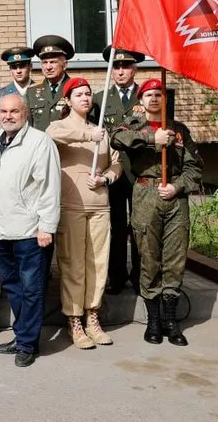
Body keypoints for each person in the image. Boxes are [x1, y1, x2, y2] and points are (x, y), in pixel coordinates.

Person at [111, 78, 202, 347]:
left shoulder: (179, 130)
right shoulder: (134, 126)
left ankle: (170, 320)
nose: (154, 98)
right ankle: (152, 320)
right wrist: (152, 138)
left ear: (165, 99)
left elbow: (194, 167)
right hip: (146, 191)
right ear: (140, 100)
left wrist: (177, 186)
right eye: (148, 94)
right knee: (148, 256)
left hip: (174, 196)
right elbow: (117, 138)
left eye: (158, 94)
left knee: (174, 257)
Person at [0, 94, 61, 368]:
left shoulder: (39, 143)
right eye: (3, 111)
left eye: (13, 111)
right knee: (14, 288)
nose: (7, 116)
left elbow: (50, 189)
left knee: (31, 290)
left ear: (25, 113)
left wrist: (46, 228)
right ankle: (21, 336)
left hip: (30, 233)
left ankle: (28, 343)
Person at [47, 78, 121, 349]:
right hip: (72, 206)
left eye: (88, 94)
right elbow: (52, 136)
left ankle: (92, 316)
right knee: (74, 264)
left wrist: (107, 179)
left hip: (100, 205)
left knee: (97, 264)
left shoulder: (101, 130)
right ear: (68, 100)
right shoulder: (62, 126)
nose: (85, 98)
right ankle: (74, 320)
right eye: (78, 94)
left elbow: (116, 163)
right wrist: (88, 136)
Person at [97, 46, 145, 295]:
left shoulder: (146, 96)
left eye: (126, 66)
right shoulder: (100, 99)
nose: (120, 71)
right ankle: (116, 275)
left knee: (139, 225)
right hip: (113, 173)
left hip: (141, 173)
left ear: (135, 69)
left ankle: (139, 276)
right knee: (115, 226)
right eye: (116, 66)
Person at [26, 35, 74, 132]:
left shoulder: (75, 89)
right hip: (40, 146)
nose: (48, 67)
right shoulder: (31, 92)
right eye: (44, 62)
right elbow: (28, 126)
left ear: (64, 65)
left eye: (53, 62)